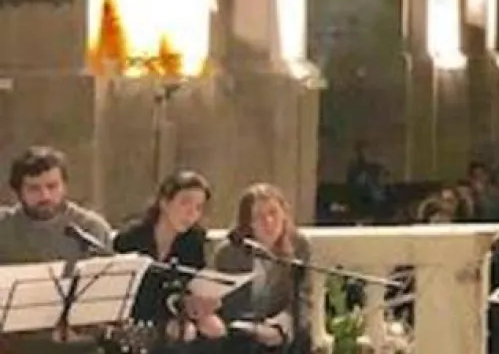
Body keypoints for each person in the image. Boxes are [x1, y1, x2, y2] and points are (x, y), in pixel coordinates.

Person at [0, 146, 117, 354]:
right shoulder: (4, 227)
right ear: (18, 191)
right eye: (34, 188)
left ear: (65, 186)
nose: (45, 195)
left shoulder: (91, 229)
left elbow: (107, 304)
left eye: (52, 186)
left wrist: (84, 330)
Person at [111, 170, 224, 350]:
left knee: (215, 328)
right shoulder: (131, 238)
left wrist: (200, 303)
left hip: (174, 312)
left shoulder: (194, 239)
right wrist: (168, 321)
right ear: (164, 202)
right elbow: (127, 294)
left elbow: (190, 284)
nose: (191, 213)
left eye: (198, 207)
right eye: (185, 203)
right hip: (137, 316)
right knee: (184, 333)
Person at [209, 184, 311, 352]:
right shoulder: (229, 251)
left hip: (278, 328)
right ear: (248, 222)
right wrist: (255, 329)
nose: (268, 222)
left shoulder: (299, 245)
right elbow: (225, 304)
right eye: (259, 216)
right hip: (242, 329)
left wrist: (279, 327)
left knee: (301, 336)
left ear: (284, 214)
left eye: (273, 213)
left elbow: (303, 298)